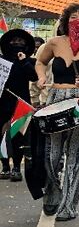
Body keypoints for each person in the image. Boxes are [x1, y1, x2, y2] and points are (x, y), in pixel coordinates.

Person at [35, 4, 79, 221]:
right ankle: (52, 190)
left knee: (75, 153)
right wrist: (41, 77)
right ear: (66, 20)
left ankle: (69, 206)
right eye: (73, 17)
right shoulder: (55, 43)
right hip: (55, 98)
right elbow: (40, 62)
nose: (78, 21)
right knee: (52, 154)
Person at [0, 29, 38, 182]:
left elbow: (34, 77)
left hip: (21, 103)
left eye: (20, 42)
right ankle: (5, 166)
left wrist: (23, 61)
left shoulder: (30, 62)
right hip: (2, 103)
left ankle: (16, 167)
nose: (17, 44)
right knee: (2, 135)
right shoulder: (1, 61)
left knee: (18, 136)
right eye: (14, 41)